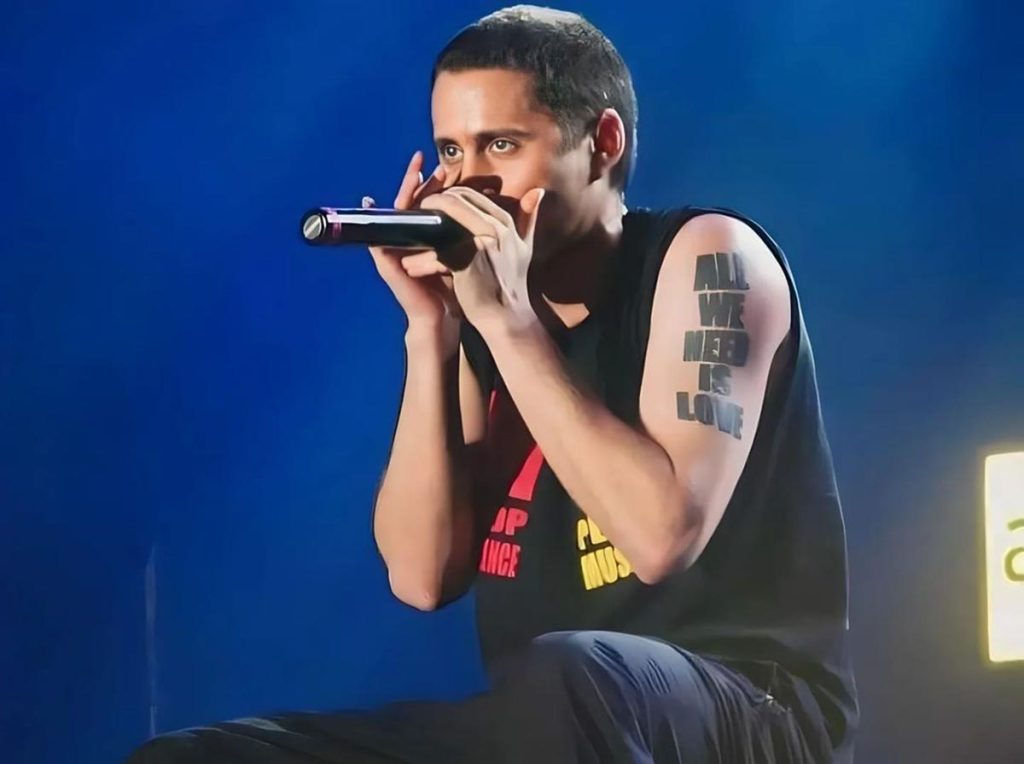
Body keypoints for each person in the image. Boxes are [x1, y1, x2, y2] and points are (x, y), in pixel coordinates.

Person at [127, 5, 858, 763]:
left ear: (603, 143)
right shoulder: (486, 313)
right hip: (543, 719)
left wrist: (509, 325)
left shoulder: (708, 256)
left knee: (572, 675)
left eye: (501, 145)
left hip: (747, 709)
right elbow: (421, 577)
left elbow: (659, 538)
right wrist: (433, 331)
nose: (467, 185)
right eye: (451, 150)